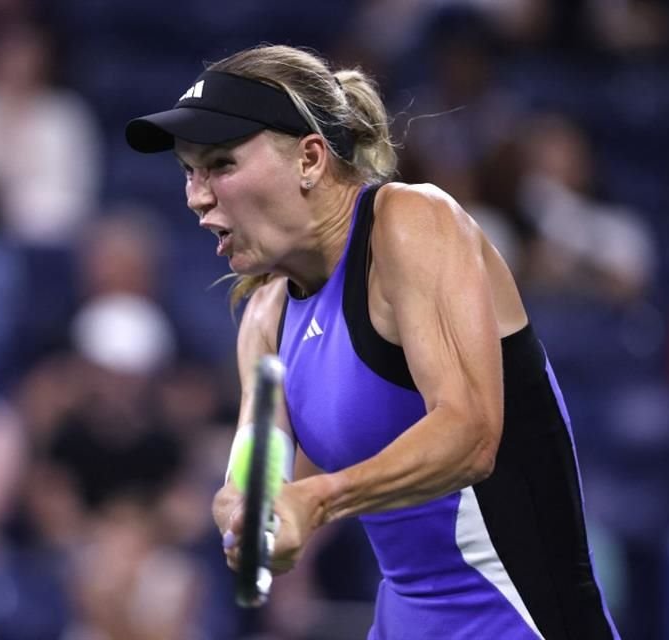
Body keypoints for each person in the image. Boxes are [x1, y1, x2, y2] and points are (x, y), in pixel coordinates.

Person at [124, 44, 620, 639]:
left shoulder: (412, 224)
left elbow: (470, 434)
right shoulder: (264, 318)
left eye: (221, 164)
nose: (196, 197)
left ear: (310, 158)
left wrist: (320, 501)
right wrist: (246, 515)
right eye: (188, 171)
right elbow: (256, 479)